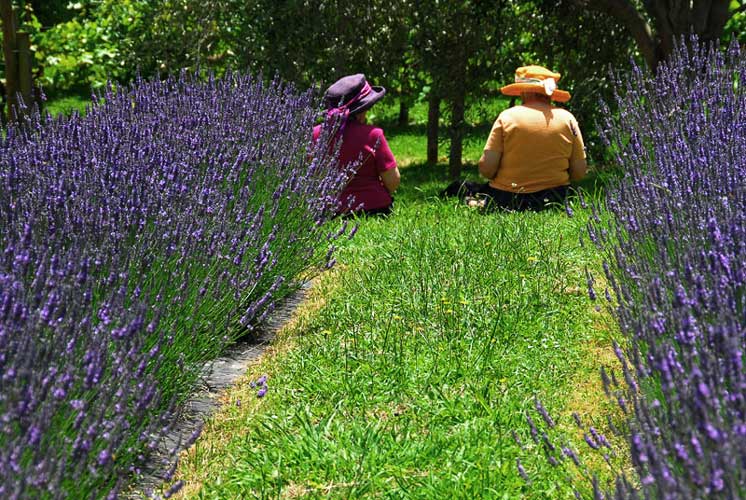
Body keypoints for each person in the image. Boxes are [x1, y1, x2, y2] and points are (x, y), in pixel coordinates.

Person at [476, 65, 587, 210]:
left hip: (508, 199)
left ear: (524, 91)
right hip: (556, 199)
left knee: (463, 190)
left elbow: (487, 169)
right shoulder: (567, 119)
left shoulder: (508, 116)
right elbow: (579, 171)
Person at [313, 74, 400, 216]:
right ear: (361, 110)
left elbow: (313, 178)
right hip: (374, 209)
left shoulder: (314, 135)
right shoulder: (373, 135)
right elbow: (392, 181)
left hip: (329, 212)